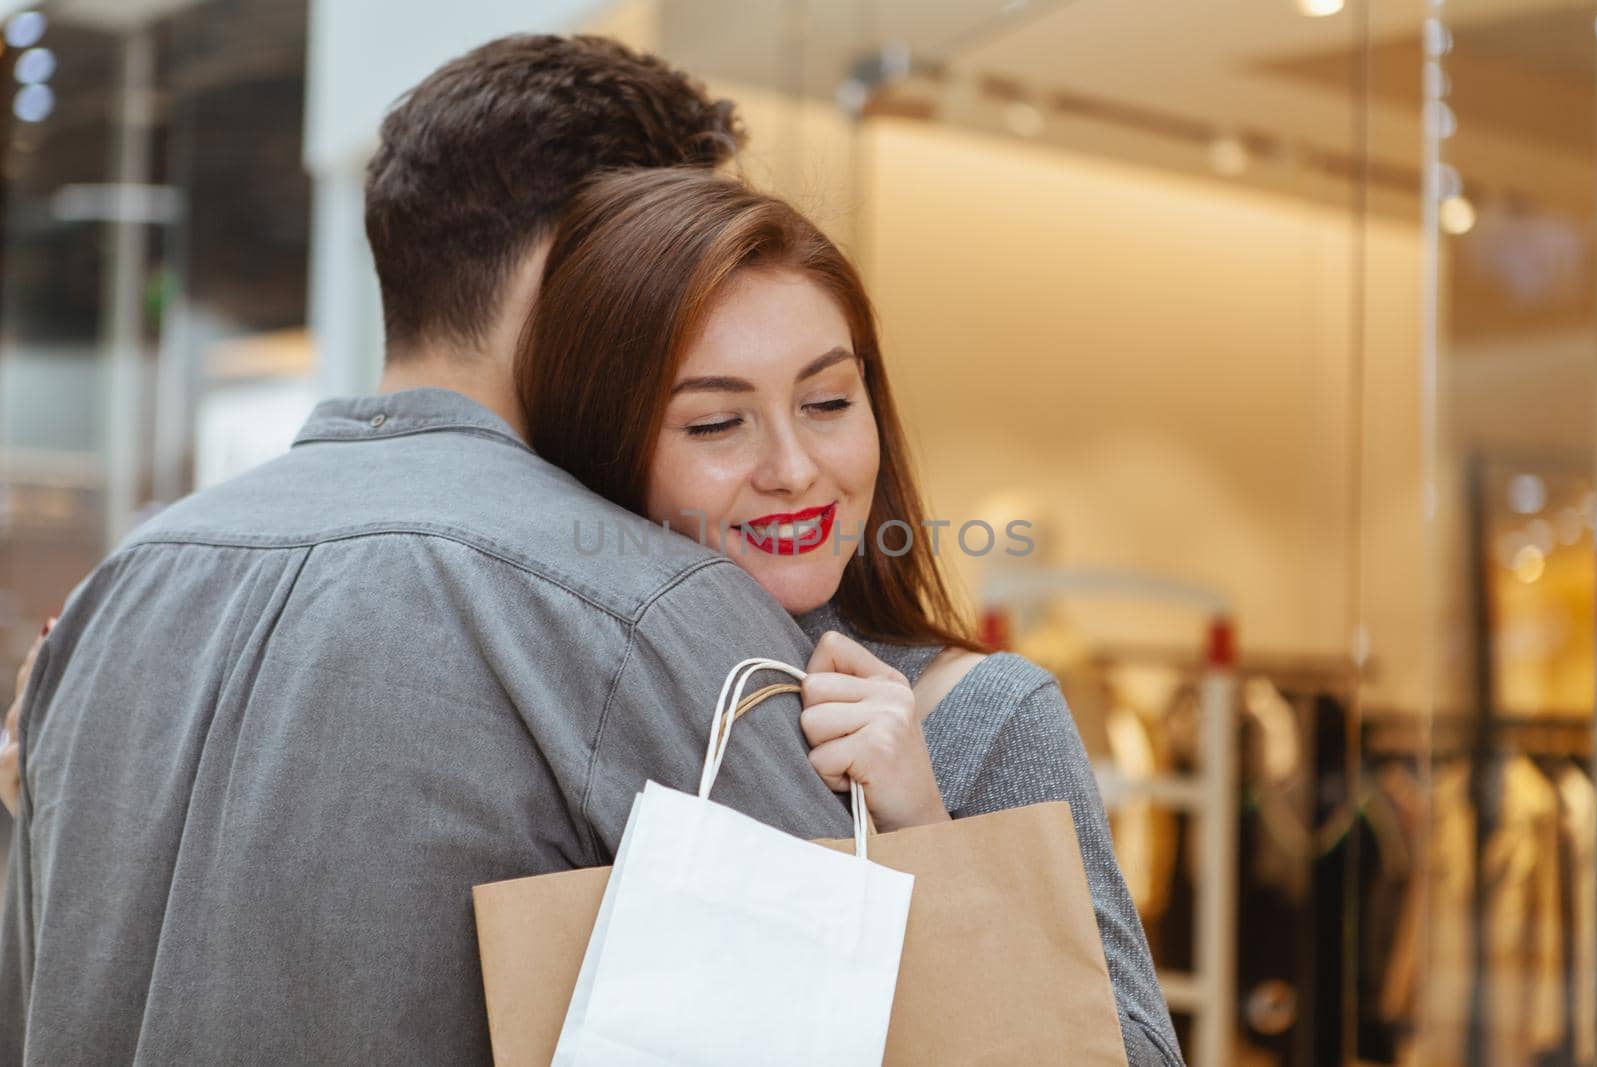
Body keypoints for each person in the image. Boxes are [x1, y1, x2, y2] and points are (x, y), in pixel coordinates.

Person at [0, 36, 860, 1066]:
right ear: (590, 260)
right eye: (668, 261)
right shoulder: (645, 603)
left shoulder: (118, 588)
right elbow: (884, 1013)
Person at [516, 166, 1185, 1066]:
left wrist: (927, 834)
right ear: (605, 447)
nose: (794, 468)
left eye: (829, 402)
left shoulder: (980, 714)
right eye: (717, 423)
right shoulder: (549, 699)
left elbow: (1135, 1054)